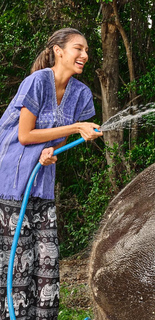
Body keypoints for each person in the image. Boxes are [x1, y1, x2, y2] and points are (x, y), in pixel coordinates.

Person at [0, 28, 102, 319]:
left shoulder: (81, 93)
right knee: (18, 260)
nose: (84, 55)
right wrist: (74, 128)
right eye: (78, 49)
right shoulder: (37, 82)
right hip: (13, 179)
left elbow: (54, 141)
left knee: (46, 259)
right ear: (58, 51)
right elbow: (24, 135)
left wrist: (52, 150)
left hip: (42, 180)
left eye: (86, 51)